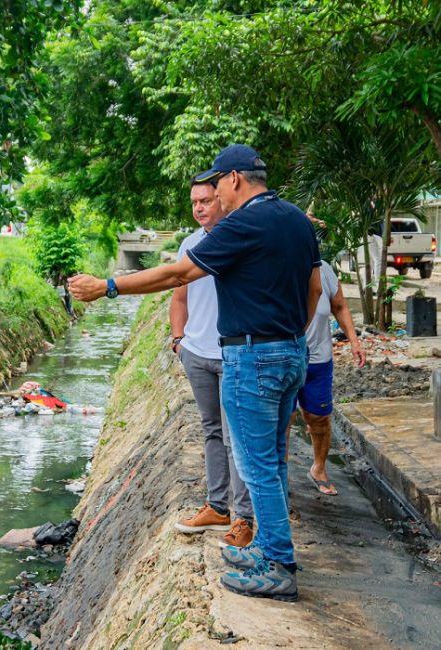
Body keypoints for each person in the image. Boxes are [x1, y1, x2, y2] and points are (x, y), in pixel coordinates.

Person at [69, 144, 322, 602]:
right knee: (275, 459)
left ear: (235, 180)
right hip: (291, 353)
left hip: (252, 358)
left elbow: (177, 276)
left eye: (216, 184)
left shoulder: (243, 223)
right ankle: (266, 545)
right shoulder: (295, 220)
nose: (213, 195)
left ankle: (279, 565)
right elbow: (314, 286)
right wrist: (290, 336)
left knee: (256, 465)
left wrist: (107, 287)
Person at [172, 174, 254, 547]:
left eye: (206, 200)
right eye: (194, 202)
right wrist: (179, 341)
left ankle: (243, 517)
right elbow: (179, 297)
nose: (200, 208)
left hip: (235, 354)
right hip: (198, 354)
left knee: (237, 438)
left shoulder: (240, 241)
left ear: (222, 199)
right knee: (212, 432)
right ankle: (217, 507)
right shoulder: (189, 245)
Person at [289, 258, 366, 496]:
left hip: (318, 360)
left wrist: (354, 341)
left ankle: (319, 468)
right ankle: (279, 478)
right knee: (283, 420)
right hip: (284, 359)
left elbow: (340, 305)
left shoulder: (324, 269)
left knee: (319, 418)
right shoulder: (276, 262)